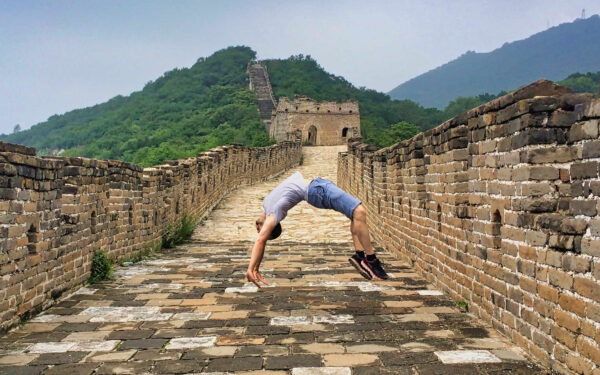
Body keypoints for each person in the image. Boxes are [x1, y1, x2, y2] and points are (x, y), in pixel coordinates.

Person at [246, 171, 388, 288]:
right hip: (317, 190)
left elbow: (262, 241)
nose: (259, 230)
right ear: (270, 228)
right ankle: (371, 260)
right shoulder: (275, 214)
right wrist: (250, 268)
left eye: (260, 229)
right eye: (262, 230)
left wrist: (256, 267)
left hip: (319, 186)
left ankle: (359, 255)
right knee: (359, 212)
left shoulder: (266, 204)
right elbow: (260, 241)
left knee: (354, 213)